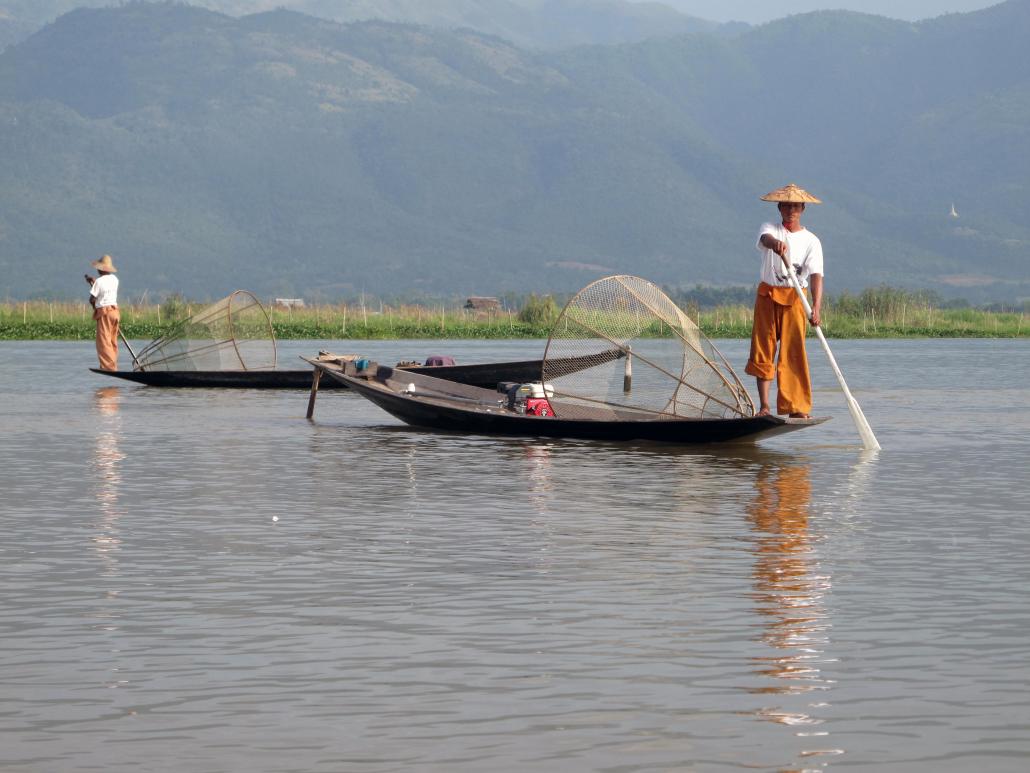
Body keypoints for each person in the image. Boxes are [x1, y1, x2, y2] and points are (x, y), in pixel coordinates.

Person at [745, 183, 824, 418]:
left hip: (796, 298)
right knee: (763, 349)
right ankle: (765, 407)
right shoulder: (771, 228)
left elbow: (816, 276)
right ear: (780, 208)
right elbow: (765, 239)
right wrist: (775, 244)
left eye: (796, 207)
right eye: (787, 206)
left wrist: (816, 308)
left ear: (802, 209)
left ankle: (796, 407)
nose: (791, 211)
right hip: (768, 295)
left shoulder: (812, 241)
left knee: (793, 353)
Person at [85, 254, 120, 371]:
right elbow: (105, 288)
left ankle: (109, 367)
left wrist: (95, 307)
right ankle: (112, 364)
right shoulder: (115, 279)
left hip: (105, 313)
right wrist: (94, 282)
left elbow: (92, 299)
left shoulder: (99, 282)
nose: (97, 269)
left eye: (98, 268)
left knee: (103, 341)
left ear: (101, 269)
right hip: (115, 312)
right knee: (112, 339)